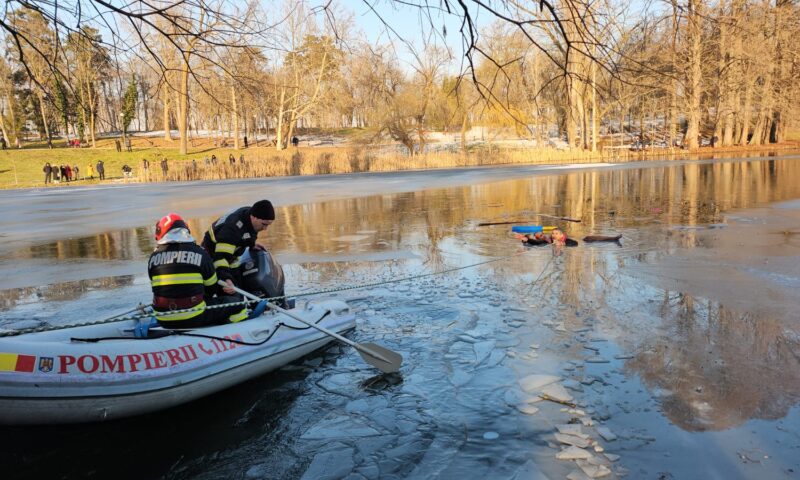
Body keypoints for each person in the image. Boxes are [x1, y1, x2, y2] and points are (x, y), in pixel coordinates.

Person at [148, 213, 248, 328]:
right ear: (186, 231)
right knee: (238, 303)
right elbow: (212, 288)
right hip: (194, 317)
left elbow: (156, 287)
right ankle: (232, 332)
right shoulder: (200, 253)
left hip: (162, 318)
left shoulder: (153, 257)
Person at [202, 200, 275, 294]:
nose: (265, 229)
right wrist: (226, 279)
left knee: (239, 286)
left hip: (231, 255)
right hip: (213, 256)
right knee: (231, 293)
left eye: (268, 225)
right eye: (264, 224)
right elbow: (220, 258)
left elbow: (248, 231)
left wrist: (251, 243)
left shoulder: (250, 213)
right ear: (254, 217)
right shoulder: (231, 230)